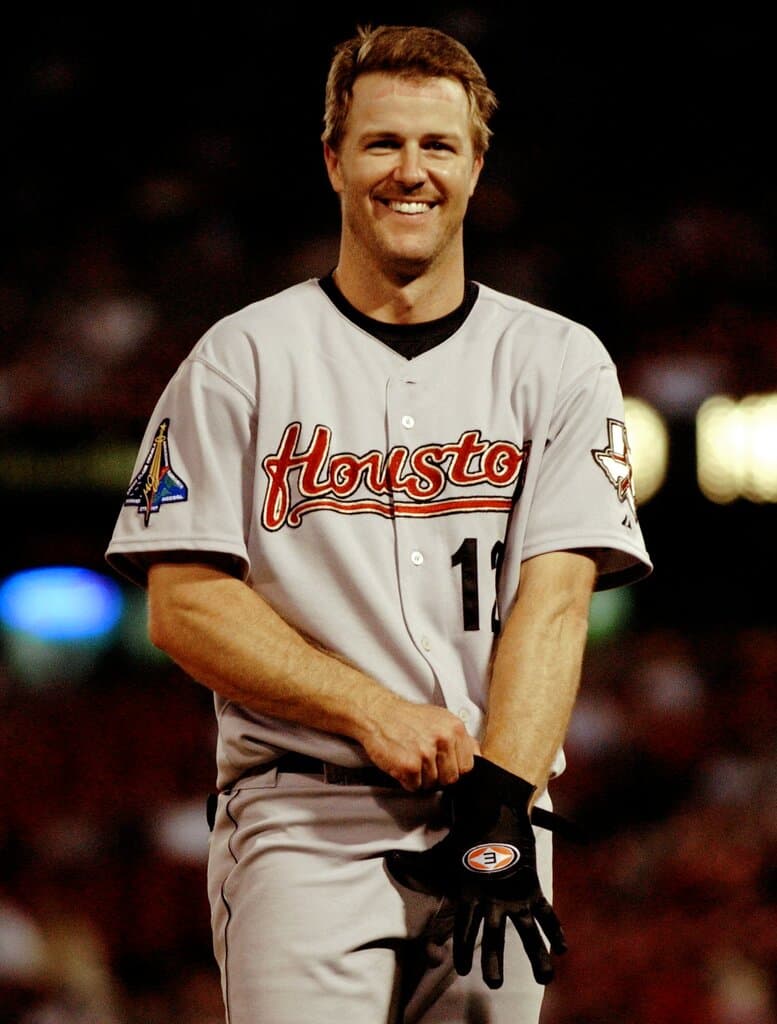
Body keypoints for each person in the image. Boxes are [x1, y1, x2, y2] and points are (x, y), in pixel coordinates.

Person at [105, 23, 652, 1024]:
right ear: (333, 160)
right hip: (304, 812)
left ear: (478, 166)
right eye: (382, 143)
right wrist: (368, 707)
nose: (412, 171)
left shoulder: (560, 361)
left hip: (499, 804)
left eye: (439, 146)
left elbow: (558, 599)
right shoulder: (241, 358)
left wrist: (501, 805)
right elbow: (184, 607)